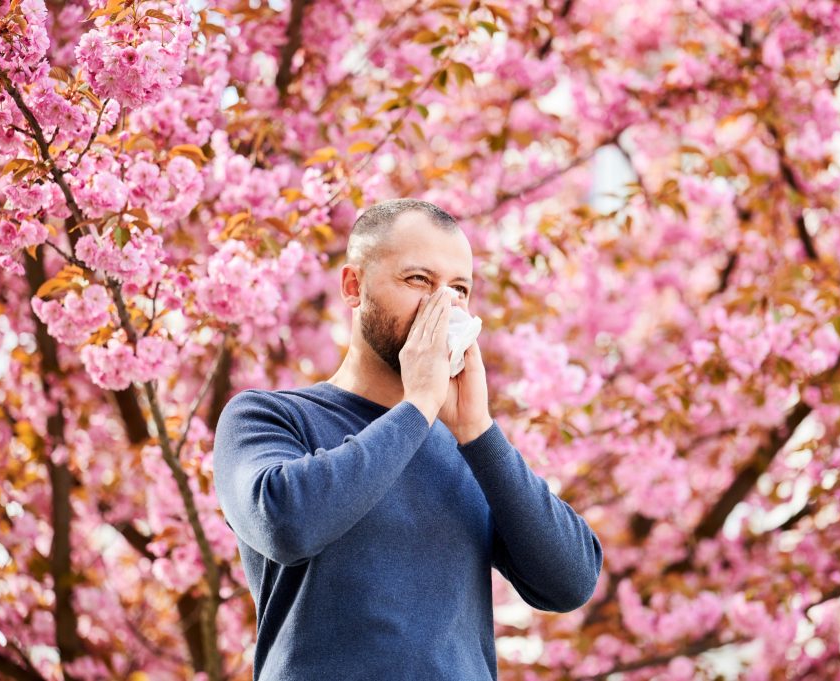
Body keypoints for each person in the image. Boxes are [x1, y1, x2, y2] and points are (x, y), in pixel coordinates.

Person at [212, 198, 603, 680]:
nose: (442, 306)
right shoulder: (269, 417)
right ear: (354, 287)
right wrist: (417, 405)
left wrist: (478, 432)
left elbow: (570, 581)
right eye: (419, 280)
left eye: (459, 289)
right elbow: (285, 523)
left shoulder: (468, 451)